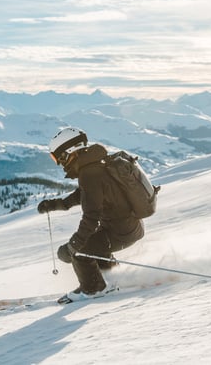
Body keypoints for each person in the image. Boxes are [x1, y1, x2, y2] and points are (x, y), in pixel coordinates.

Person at [37, 127, 145, 303]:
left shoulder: (90, 173)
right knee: (81, 248)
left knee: (80, 250)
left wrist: (75, 245)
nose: (59, 163)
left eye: (58, 157)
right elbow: (85, 195)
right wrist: (57, 204)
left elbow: (91, 217)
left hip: (120, 231)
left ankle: (93, 288)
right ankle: (110, 277)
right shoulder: (97, 166)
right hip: (127, 227)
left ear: (68, 152)